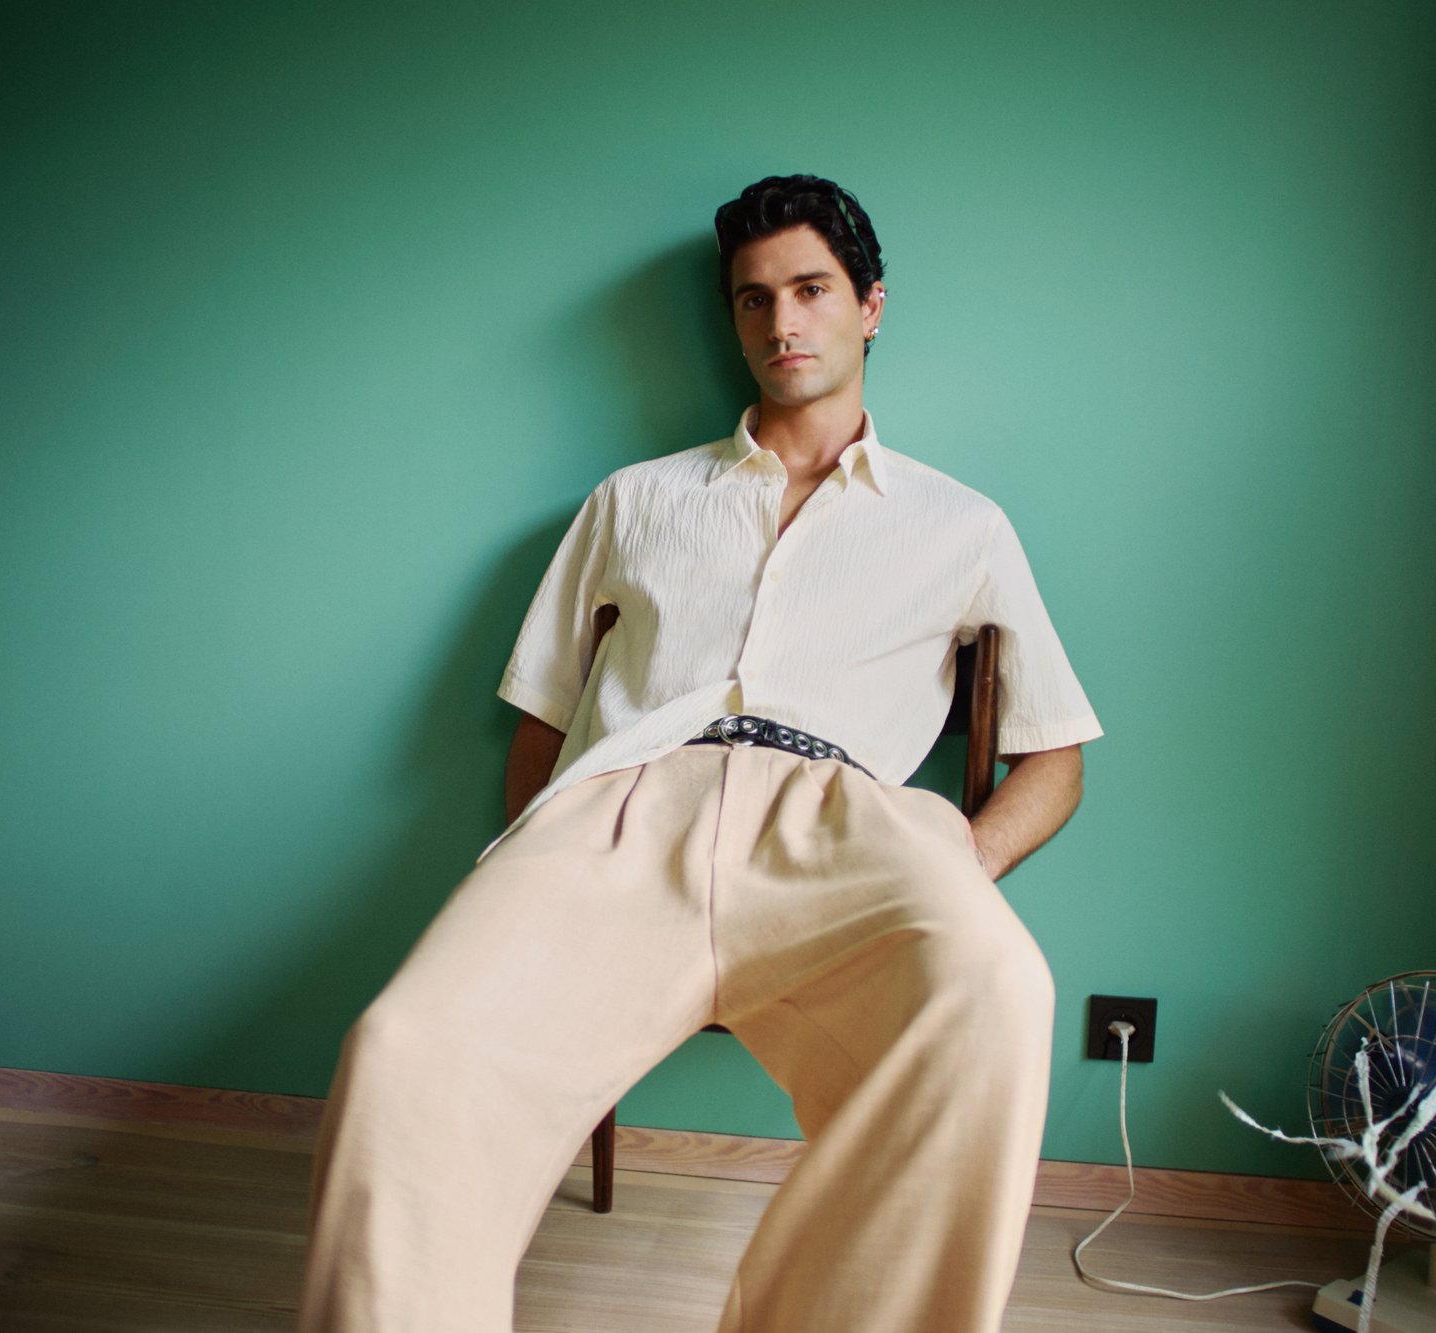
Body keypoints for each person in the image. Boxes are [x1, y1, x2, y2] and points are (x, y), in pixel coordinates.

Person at [296, 173, 1103, 1333]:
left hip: (847, 825)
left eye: (811, 291)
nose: (781, 323)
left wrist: (947, 877)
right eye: (753, 299)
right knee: (402, 1049)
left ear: (869, 306)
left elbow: (1053, 756)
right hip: (623, 813)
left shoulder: (960, 524)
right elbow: (541, 721)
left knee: (998, 986)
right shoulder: (633, 500)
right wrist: (544, 852)